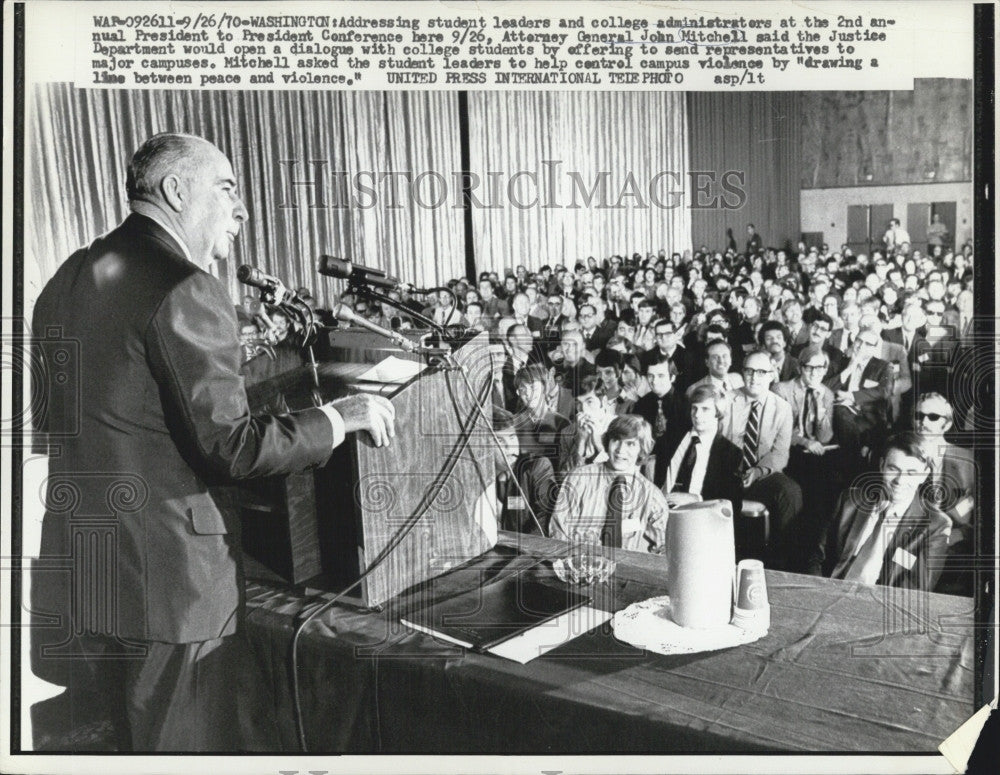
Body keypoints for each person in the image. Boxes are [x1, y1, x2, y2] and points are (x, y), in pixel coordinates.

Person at [29, 133, 396, 751]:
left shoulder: (71, 275)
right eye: (227, 189)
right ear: (177, 190)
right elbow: (231, 448)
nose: (243, 210)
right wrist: (339, 418)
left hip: (90, 575)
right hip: (172, 591)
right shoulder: (187, 287)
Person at [807, 433, 950, 590]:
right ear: (882, 465)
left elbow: (917, 588)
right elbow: (815, 555)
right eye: (893, 469)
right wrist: (818, 592)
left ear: (924, 475)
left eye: (911, 473)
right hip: (829, 590)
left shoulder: (936, 525)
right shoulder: (849, 499)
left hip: (881, 606)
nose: (900, 481)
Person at [720, 350, 802, 565]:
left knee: (790, 491)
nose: (754, 377)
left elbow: (781, 452)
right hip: (727, 474)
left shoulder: (782, 408)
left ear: (772, 375)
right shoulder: (726, 401)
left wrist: (758, 471)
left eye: (761, 372)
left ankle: (782, 563)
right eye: (749, 370)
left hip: (762, 475)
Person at [550, 415, 668, 552]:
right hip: (579, 565)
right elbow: (558, 534)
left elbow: (664, 548)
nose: (621, 450)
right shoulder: (578, 479)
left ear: (641, 449)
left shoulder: (652, 496)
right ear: (607, 442)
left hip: (627, 570)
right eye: (616, 440)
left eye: (630, 444)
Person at [660, 385, 743, 513]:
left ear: (718, 413)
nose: (697, 415)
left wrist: (697, 498)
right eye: (694, 408)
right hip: (662, 512)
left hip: (700, 517)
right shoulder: (673, 438)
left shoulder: (730, 453)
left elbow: (733, 502)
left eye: (705, 409)